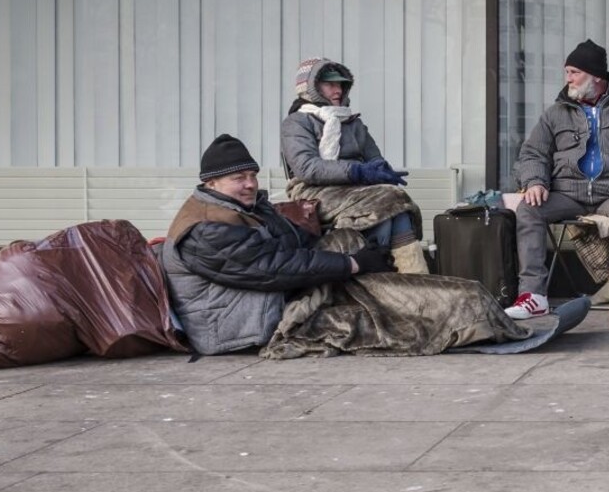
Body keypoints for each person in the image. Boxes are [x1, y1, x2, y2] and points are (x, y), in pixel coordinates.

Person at [160, 134, 397, 355]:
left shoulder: (249, 207)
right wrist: (353, 264)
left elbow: (299, 243)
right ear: (211, 184)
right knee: (368, 324)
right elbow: (272, 268)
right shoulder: (206, 228)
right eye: (239, 178)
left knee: (346, 242)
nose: (250, 183)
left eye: (252, 175)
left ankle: (393, 296)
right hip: (233, 325)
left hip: (262, 301)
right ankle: (398, 303)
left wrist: (354, 251)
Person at [508, 39, 609, 322]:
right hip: (567, 192)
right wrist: (536, 181)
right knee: (528, 209)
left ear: (595, 76)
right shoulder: (555, 113)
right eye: (567, 72)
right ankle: (533, 296)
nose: (568, 79)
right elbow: (533, 152)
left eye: (574, 72)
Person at [280, 58, 426, 273]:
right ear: (311, 87)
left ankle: (413, 275)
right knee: (385, 204)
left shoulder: (353, 122)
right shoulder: (297, 122)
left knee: (397, 208)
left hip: (356, 188)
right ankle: (377, 270)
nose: (338, 90)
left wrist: (381, 171)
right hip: (312, 191)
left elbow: (374, 157)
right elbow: (307, 168)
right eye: (330, 84)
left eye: (341, 84)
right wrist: (357, 171)